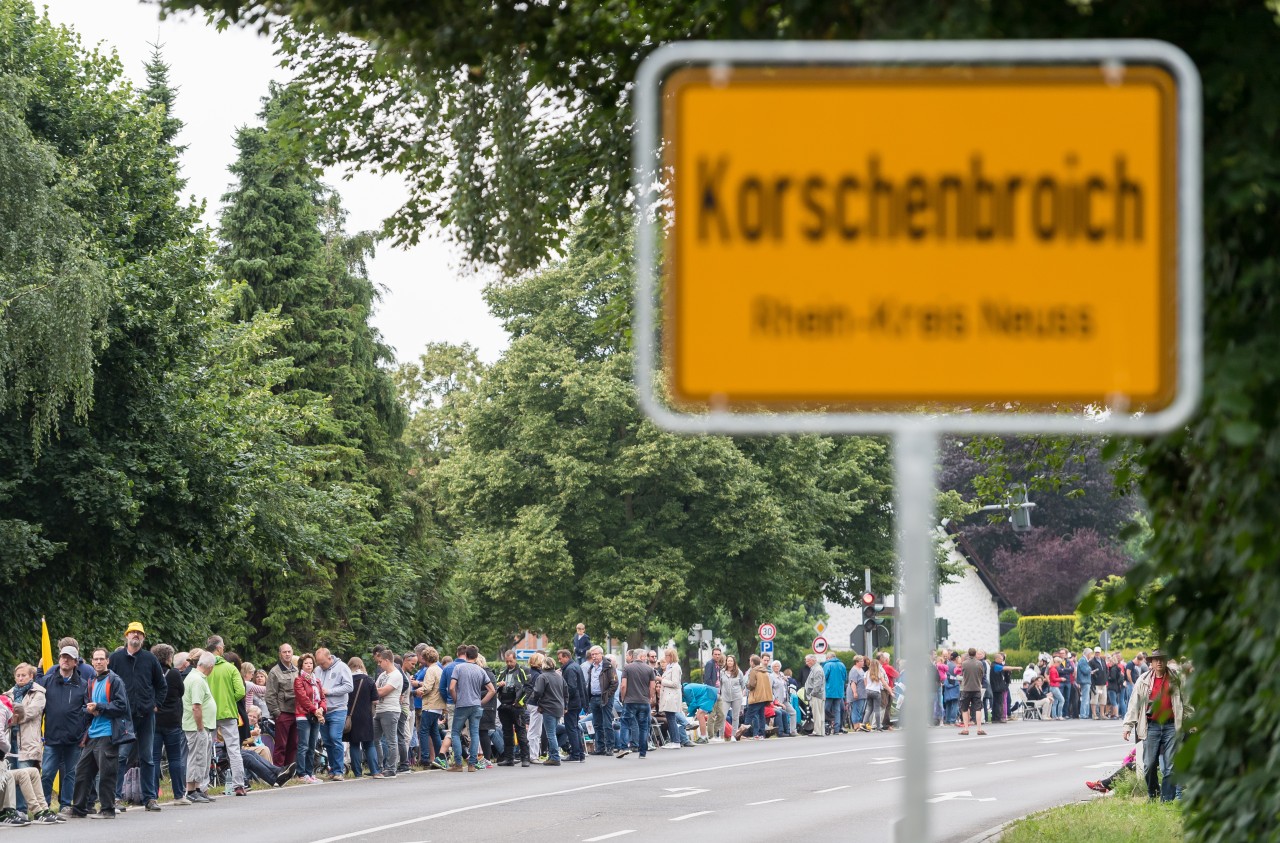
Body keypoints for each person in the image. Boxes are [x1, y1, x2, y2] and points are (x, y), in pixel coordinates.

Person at [105, 621, 166, 813]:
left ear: (143, 638)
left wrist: (156, 704)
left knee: (147, 757)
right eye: (132, 633)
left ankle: (150, 797)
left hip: (146, 715)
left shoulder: (149, 659)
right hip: (124, 716)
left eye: (139, 634)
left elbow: (161, 685)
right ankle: (115, 797)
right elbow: (107, 684)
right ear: (126, 636)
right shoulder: (115, 658)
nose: (136, 636)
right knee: (121, 757)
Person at [70, 648, 134, 819]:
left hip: (109, 732)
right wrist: (90, 710)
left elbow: (122, 706)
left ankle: (107, 809)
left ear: (108, 661)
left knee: (107, 773)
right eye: (95, 659)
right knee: (82, 771)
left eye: (101, 659)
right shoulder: (91, 681)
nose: (98, 662)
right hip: (92, 733)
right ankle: (78, 809)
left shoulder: (115, 681)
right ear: (91, 661)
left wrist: (99, 707)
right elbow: (85, 706)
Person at [1123, 649, 1192, 802]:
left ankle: (1166, 800)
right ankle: (1153, 794)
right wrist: (1128, 726)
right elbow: (1134, 704)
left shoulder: (1177, 679)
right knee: (1148, 765)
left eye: (1162, 659)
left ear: (1166, 661)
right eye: (1156, 660)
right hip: (1151, 726)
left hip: (1171, 726)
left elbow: (1186, 703)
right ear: (1151, 663)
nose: (1159, 662)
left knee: (1170, 766)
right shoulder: (1143, 680)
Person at [39, 645, 87, 811]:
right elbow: (38, 710)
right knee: (46, 774)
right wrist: (38, 734)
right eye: (62, 657)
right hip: (51, 737)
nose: (65, 660)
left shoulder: (83, 685)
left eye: (69, 658)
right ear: (59, 659)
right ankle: (43, 806)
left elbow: (88, 712)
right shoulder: (46, 681)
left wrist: (85, 735)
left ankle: (66, 805)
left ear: (75, 662)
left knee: (70, 774)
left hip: (74, 739)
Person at [0, 694, 60, 825]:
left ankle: (43, 810)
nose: (17, 722)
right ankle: (28, 812)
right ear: (14, 714)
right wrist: (7, 749)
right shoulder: (2, 711)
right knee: (10, 776)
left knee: (32, 771)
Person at [204, 635, 247, 796]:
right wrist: (229, 700)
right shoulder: (230, 668)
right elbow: (241, 691)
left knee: (207, 749)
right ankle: (239, 785)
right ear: (220, 648)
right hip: (228, 712)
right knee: (234, 749)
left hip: (209, 713)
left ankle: (202, 786)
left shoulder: (204, 667)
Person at [149, 645, 188, 804]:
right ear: (168, 658)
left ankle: (152, 795)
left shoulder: (151, 674)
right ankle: (179, 794)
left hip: (155, 720)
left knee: (154, 759)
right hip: (172, 721)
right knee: (175, 758)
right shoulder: (174, 674)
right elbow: (181, 692)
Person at [448, 645, 496, 772]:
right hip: (476, 706)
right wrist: (481, 702)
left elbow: (452, 687)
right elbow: (492, 690)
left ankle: (458, 764)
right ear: (476, 656)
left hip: (462, 705)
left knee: (455, 733)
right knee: (475, 734)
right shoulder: (481, 671)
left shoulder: (458, 668)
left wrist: (456, 700)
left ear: (466, 655)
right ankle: (472, 764)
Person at [5, 663, 44, 815]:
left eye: (24, 675)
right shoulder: (8, 694)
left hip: (27, 741)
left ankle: (23, 809)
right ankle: (12, 809)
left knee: (24, 775)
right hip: (10, 740)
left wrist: (13, 717)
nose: (20, 678)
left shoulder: (38, 693)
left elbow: (30, 713)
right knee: (10, 776)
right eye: (18, 675)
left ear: (31, 676)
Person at [181, 651, 217, 803]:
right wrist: (201, 727)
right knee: (196, 757)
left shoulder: (198, 678)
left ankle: (197, 788)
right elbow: (196, 706)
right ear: (210, 666)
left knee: (201, 757)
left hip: (201, 726)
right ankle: (191, 790)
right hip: (196, 726)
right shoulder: (197, 680)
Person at [314, 647, 353, 781]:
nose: (321, 666)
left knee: (335, 737)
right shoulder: (317, 670)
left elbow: (349, 686)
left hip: (338, 709)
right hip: (323, 711)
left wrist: (329, 691)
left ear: (330, 658)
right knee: (327, 741)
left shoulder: (342, 667)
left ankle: (339, 770)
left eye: (323, 663)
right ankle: (332, 769)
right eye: (318, 663)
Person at [293, 653, 326, 783]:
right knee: (303, 745)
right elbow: (303, 699)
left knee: (312, 746)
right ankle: (301, 773)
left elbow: (322, 698)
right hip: (303, 715)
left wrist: (321, 709)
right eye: (306, 663)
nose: (309, 665)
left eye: (311, 663)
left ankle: (310, 772)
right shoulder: (299, 680)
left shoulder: (316, 680)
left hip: (316, 715)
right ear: (302, 665)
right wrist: (315, 710)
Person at [529, 653, 567, 765]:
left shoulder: (543, 677)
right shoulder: (559, 677)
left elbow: (537, 692)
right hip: (559, 708)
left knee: (550, 734)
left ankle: (554, 757)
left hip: (548, 708)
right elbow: (566, 692)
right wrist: (566, 706)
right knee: (553, 732)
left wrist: (536, 701)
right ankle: (552, 755)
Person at [616, 649, 655, 758]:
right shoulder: (649, 669)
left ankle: (623, 747)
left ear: (634, 656)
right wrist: (650, 697)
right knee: (643, 726)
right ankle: (642, 752)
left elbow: (623, 685)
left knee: (625, 723)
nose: (646, 658)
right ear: (642, 656)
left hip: (630, 701)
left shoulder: (627, 668)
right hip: (644, 701)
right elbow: (652, 686)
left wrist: (623, 698)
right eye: (645, 656)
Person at [265, 643, 298, 768]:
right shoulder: (274, 672)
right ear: (280, 654)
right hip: (283, 713)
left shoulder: (297, 670)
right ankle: (278, 771)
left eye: (289, 651)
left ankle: (289, 770)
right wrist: (277, 713)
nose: (287, 654)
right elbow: (269, 695)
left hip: (296, 712)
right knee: (281, 745)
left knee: (293, 744)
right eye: (284, 652)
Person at [496, 650, 531, 767]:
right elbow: (494, 685)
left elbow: (529, 688)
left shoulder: (523, 670)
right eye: (507, 661)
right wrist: (498, 685)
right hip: (504, 706)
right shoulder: (502, 672)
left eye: (511, 661)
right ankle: (509, 758)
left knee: (521, 732)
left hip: (517, 707)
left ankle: (525, 757)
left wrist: (520, 703)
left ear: (515, 659)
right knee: (507, 733)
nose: (509, 663)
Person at [372, 650, 402, 777]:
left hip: (390, 710)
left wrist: (374, 691)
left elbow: (382, 691)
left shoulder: (396, 675)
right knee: (374, 739)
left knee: (391, 741)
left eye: (380, 661)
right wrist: (374, 691)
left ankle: (391, 768)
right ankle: (378, 766)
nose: (379, 664)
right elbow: (373, 687)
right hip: (379, 710)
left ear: (387, 660)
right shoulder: (383, 675)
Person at [346, 657, 378, 777]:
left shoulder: (347, 680)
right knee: (369, 744)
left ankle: (357, 773)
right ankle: (374, 771)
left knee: (354, 744)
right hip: (366, 716)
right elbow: (375, 700)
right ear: (361, 666)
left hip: (351, 717)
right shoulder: (369, 680)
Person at [582, 646, 616, 756]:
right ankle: (600, 747)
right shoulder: (592, 667)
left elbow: (614, 683)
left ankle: (610, 747)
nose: (594, 656)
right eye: (592, 655)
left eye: (596, 654)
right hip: (594, 697)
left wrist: (607, 695)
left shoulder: (608, 666)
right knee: (597, 724)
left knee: (607, 723)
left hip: (604, 698)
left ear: (601, 654)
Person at [415, 648, 445, 769]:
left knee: (423, 731)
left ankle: (425, 758)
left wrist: (416, 691)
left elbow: (427, 687)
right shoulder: (439, 669)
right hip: (438, 705)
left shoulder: (430, 670)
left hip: (430, 704)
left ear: (426, 658)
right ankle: (440, 757)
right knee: (434, 732)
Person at [557, 649, 588, 762]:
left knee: (571, 729)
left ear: (566, 657)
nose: (559, 661)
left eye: (560, 658)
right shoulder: (575, 666)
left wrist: (564, 700)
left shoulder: (569, 669)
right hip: (577, 702)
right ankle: (580, 754)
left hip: (572, 703)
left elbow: (571, 688)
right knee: (574, 728)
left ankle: (576, 754)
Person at [958, 648, 986, 736]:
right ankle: (979, 729)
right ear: (975, 654)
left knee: (965, 709)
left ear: (968, 654)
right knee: (978, 708)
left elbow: (962, 674)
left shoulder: (964, 663)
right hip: (976, 688)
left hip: (966, 688)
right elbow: (982, 674)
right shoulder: (979, 663)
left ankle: (966, 729)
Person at [744, 654, 772, 741]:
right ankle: (761, 734)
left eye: (750, 661)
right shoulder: (764, 671)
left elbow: (752, 684)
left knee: (749, 715)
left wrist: (747, 686)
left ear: (752, 662)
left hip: (756, 697)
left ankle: (743, 733)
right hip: (764, 697)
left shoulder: (754, 671)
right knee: (761, 716)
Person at [720, 655, 747, 740]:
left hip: (736, 697)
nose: (730, 662)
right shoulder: (722, 672)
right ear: (726, 662)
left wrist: (740, 693)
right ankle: (721, 735)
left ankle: (733, 735)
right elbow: (720, 684)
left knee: (735, 716)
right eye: (728, 661)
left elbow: (743, 685)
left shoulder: (739, 672)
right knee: (722, 716)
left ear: (734, 662)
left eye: (731, 661)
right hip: (725, 697)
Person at [821, 653, 847, 735]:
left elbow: (824, 677)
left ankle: (828, 723)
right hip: (839, 691)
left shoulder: (827, 665)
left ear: (829, 657)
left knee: (825, 708)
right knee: (837, 710)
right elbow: (845, 677)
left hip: (829, 691)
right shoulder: (842, 665)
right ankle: (836, 729)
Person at [802, 654, 826, 736]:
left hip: (816, 696)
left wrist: (812, 694)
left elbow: (817, 684)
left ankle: (817, 731)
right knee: (820, 714)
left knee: (817, 714)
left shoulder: (817, 670)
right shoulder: (816, 669)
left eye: (808, 661)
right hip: (818, 695)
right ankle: (821, 731)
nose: (806, 663)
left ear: (813, 660)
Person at [862, 658, 885, 731]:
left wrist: (868, 689)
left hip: (868, 691)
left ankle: (864, 724)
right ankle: (878, 726)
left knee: (869, 709)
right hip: (876, 692)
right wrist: (890, 690)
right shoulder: (879, 673)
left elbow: (865, 684)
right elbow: (884, 683)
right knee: (877, 710)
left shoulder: (866, 673)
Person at [989, 652, 1010, 724]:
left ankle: (995, 717)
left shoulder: (994, 665)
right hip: (997, 687)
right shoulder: (995, 666)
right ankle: (997, 717)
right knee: (999, 703)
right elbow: (1004, 668)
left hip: (996, 686)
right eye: (1001, 659)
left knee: (996, 702)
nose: (1002, 660)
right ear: (997, 659)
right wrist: (1016, 668)